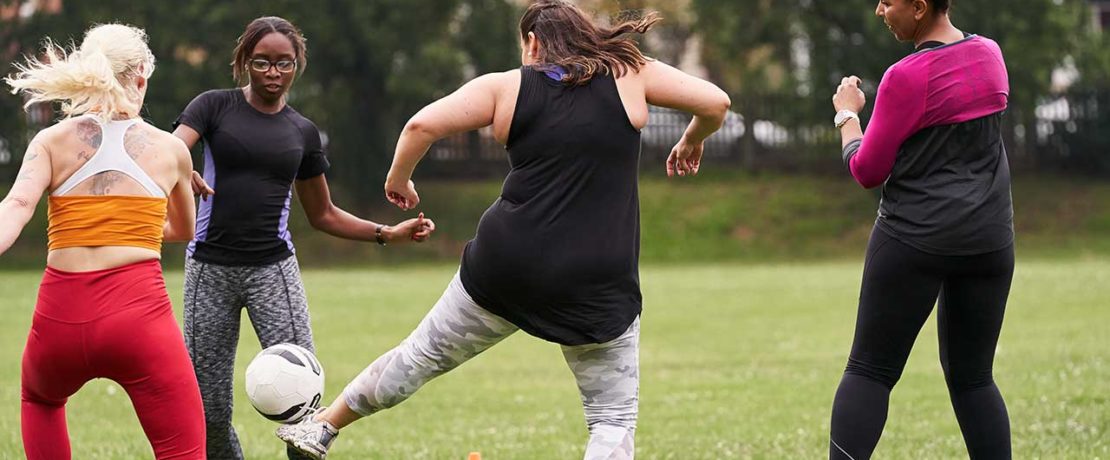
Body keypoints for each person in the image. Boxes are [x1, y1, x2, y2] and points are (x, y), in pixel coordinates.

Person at [277, 1, 731, 459]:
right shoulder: (630, 71)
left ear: (533, 42)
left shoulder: (505, 87)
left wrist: (399, 180)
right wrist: (693, 138)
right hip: (597, 278)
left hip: (508, 265)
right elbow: (716, 102)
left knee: (419, 357)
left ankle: (323, 428)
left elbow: (421, 125)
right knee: (610, 418)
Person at [171, 16, 435, 460]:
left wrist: (387, 233)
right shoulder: (213, 107)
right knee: (207, 409)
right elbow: (172, 147)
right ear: (244, 63)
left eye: (284, 64)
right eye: (262, 63)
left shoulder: (302, 132)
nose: (273, 73)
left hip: (273, 272)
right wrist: (183, 166)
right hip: (208, 274)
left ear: (297, 66)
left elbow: (323, 214)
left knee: (303, 404)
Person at [1, 24, 206, 459]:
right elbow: (184, 230)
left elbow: (16, 206)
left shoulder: (50, 141)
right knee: (182, 451)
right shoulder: (171, 151)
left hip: (59, 317)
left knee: (41, 399)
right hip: (138, 318)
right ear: (141, 78)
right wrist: (137, 227)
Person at [827, 0, 1014, 458]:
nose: (879, 10)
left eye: (889, 2)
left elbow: (868, 169)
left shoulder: (906, 75)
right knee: (974, 378)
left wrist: (847, 116)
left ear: (920, 6)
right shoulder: (990, 54)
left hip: (914, 239)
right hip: (989, 242)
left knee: (870, 370)